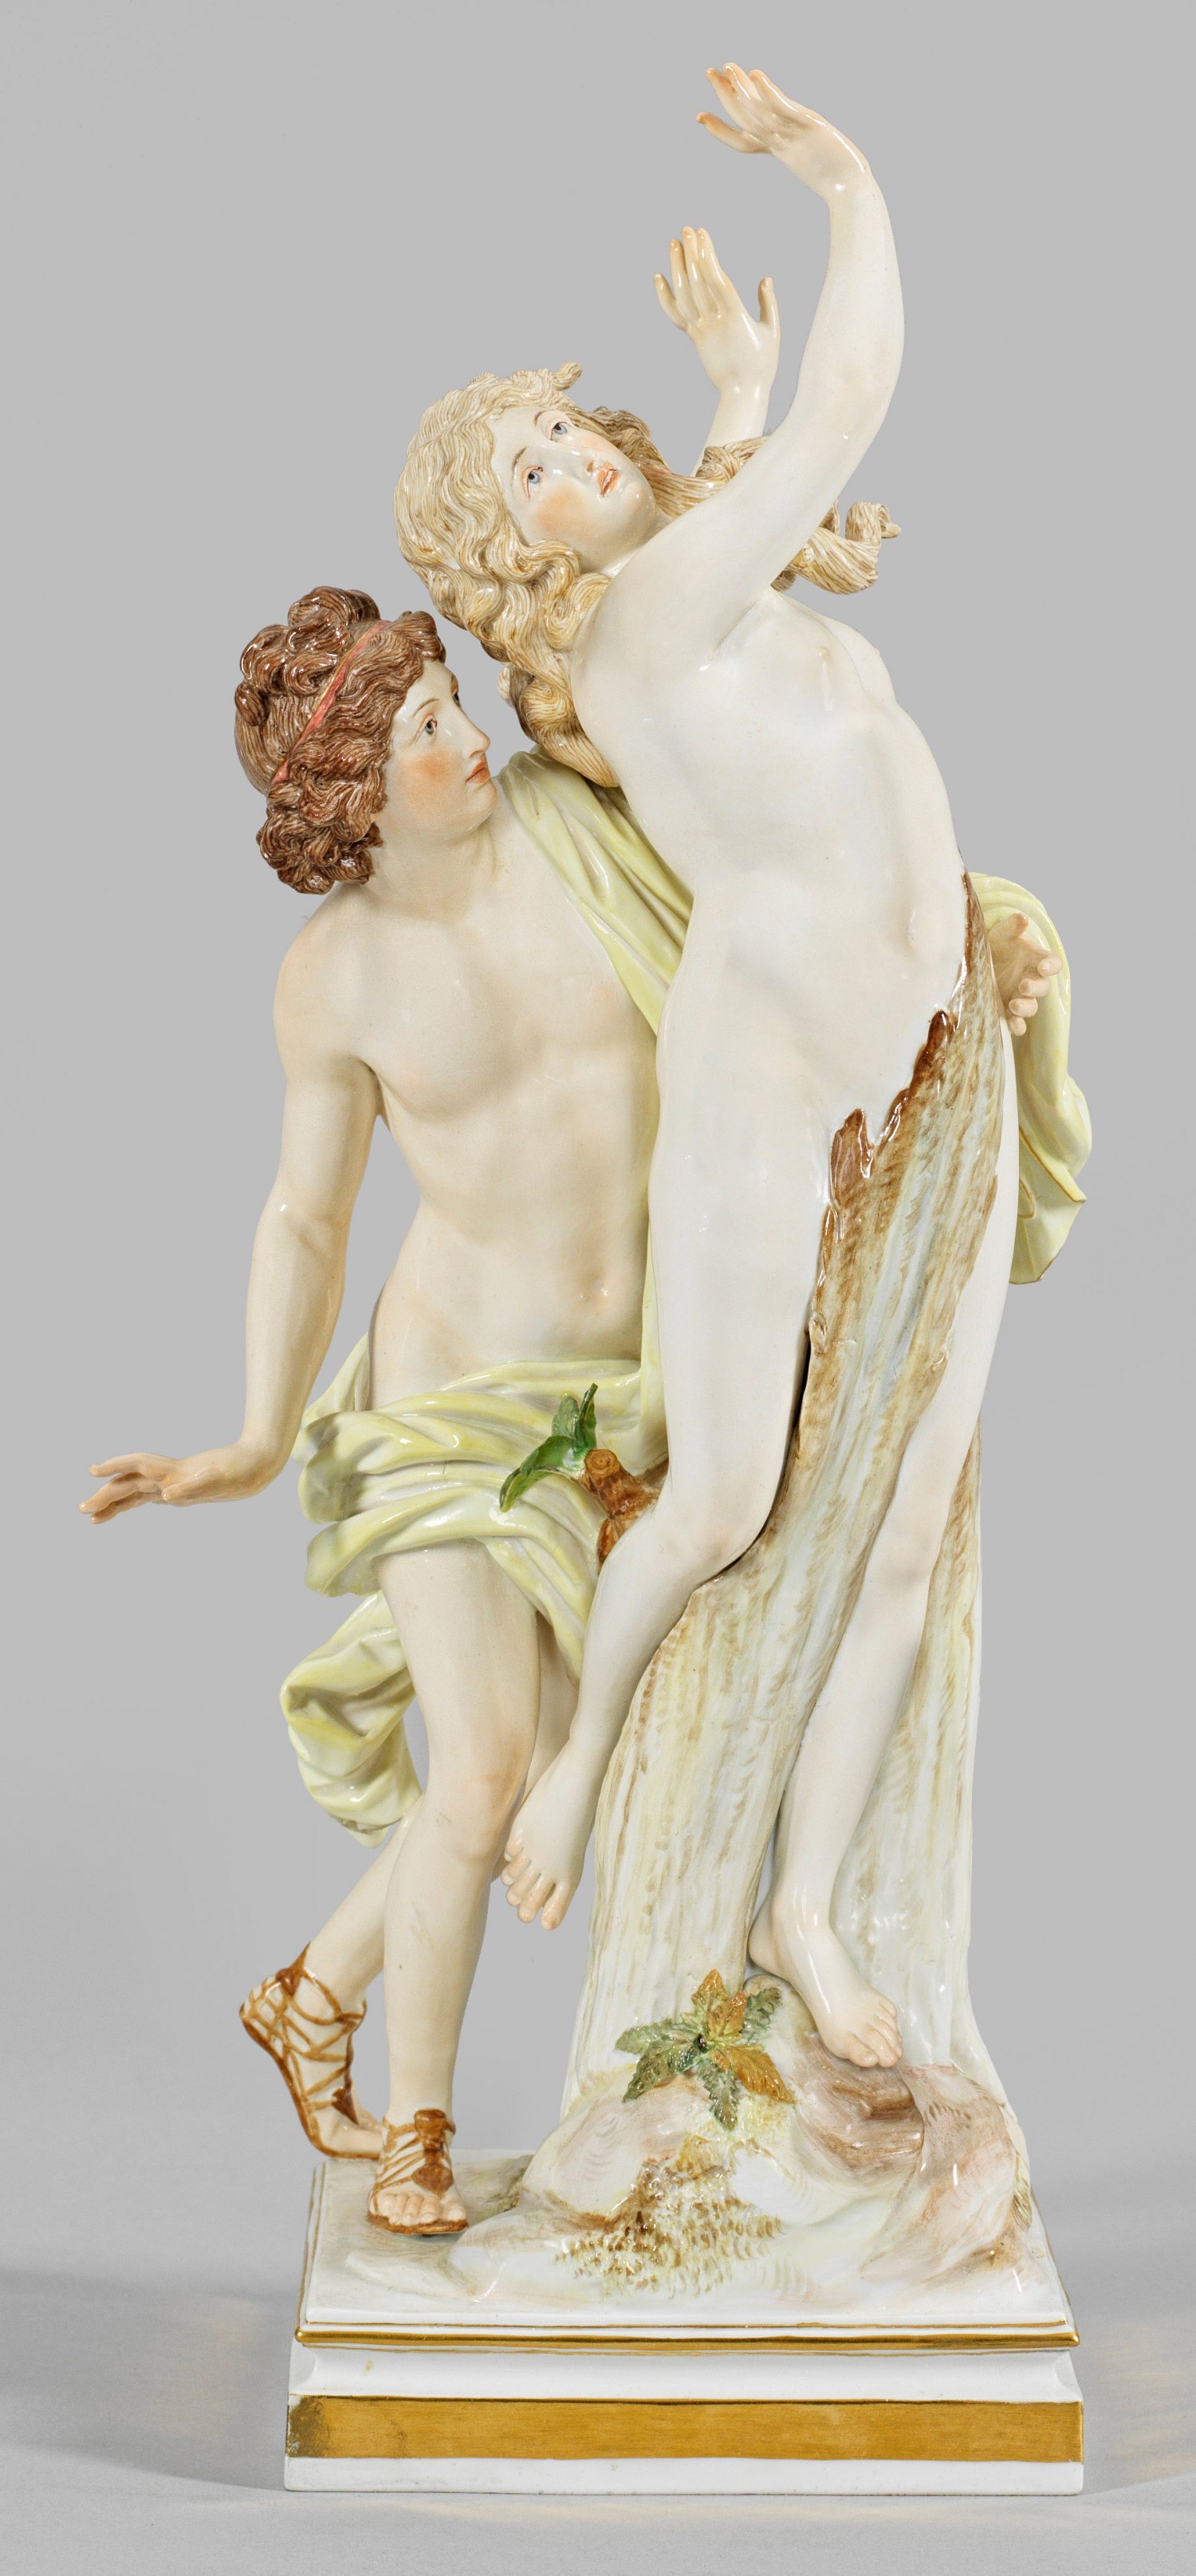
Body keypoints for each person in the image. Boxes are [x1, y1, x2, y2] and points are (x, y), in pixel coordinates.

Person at [393, 66, 1088, 2070]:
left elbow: (750, 511)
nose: (564, 460)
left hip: (938, 1061)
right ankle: (582, 1758)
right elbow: (851, 406)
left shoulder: (705, 583)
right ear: (521, 560)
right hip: (776, 1083)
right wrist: (842, 178)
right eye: (524, 475)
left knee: (906, 1521)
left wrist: (723, 398)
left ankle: (807, 1903)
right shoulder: (642, 628)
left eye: (557, 429)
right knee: (719, 1492)